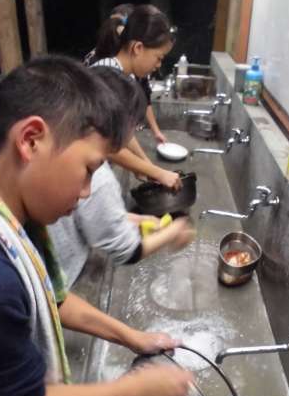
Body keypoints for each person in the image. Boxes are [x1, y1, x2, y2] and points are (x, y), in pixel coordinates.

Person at [0, 55, 192, 396]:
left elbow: (53, 298)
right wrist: (132, 389)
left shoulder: (5, 211)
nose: (84, 193)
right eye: (89, 170)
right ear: (31, 140)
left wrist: (132, 337)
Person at [48, 66, 195, 289]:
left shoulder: (65, 143)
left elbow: (91, 215)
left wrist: (137, 220)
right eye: (135, 126)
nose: (84, 191)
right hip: (63, 279)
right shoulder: (98, 179)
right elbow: (127, 251)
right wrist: (175, 230)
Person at [90, 4, 182, 190]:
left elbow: (121, 133)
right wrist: (156, 172)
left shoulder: (126, 76)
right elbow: (105, 144)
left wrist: (145, 164)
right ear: (138, 48)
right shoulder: (106, 76)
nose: (158, 65)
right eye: (159, 57)